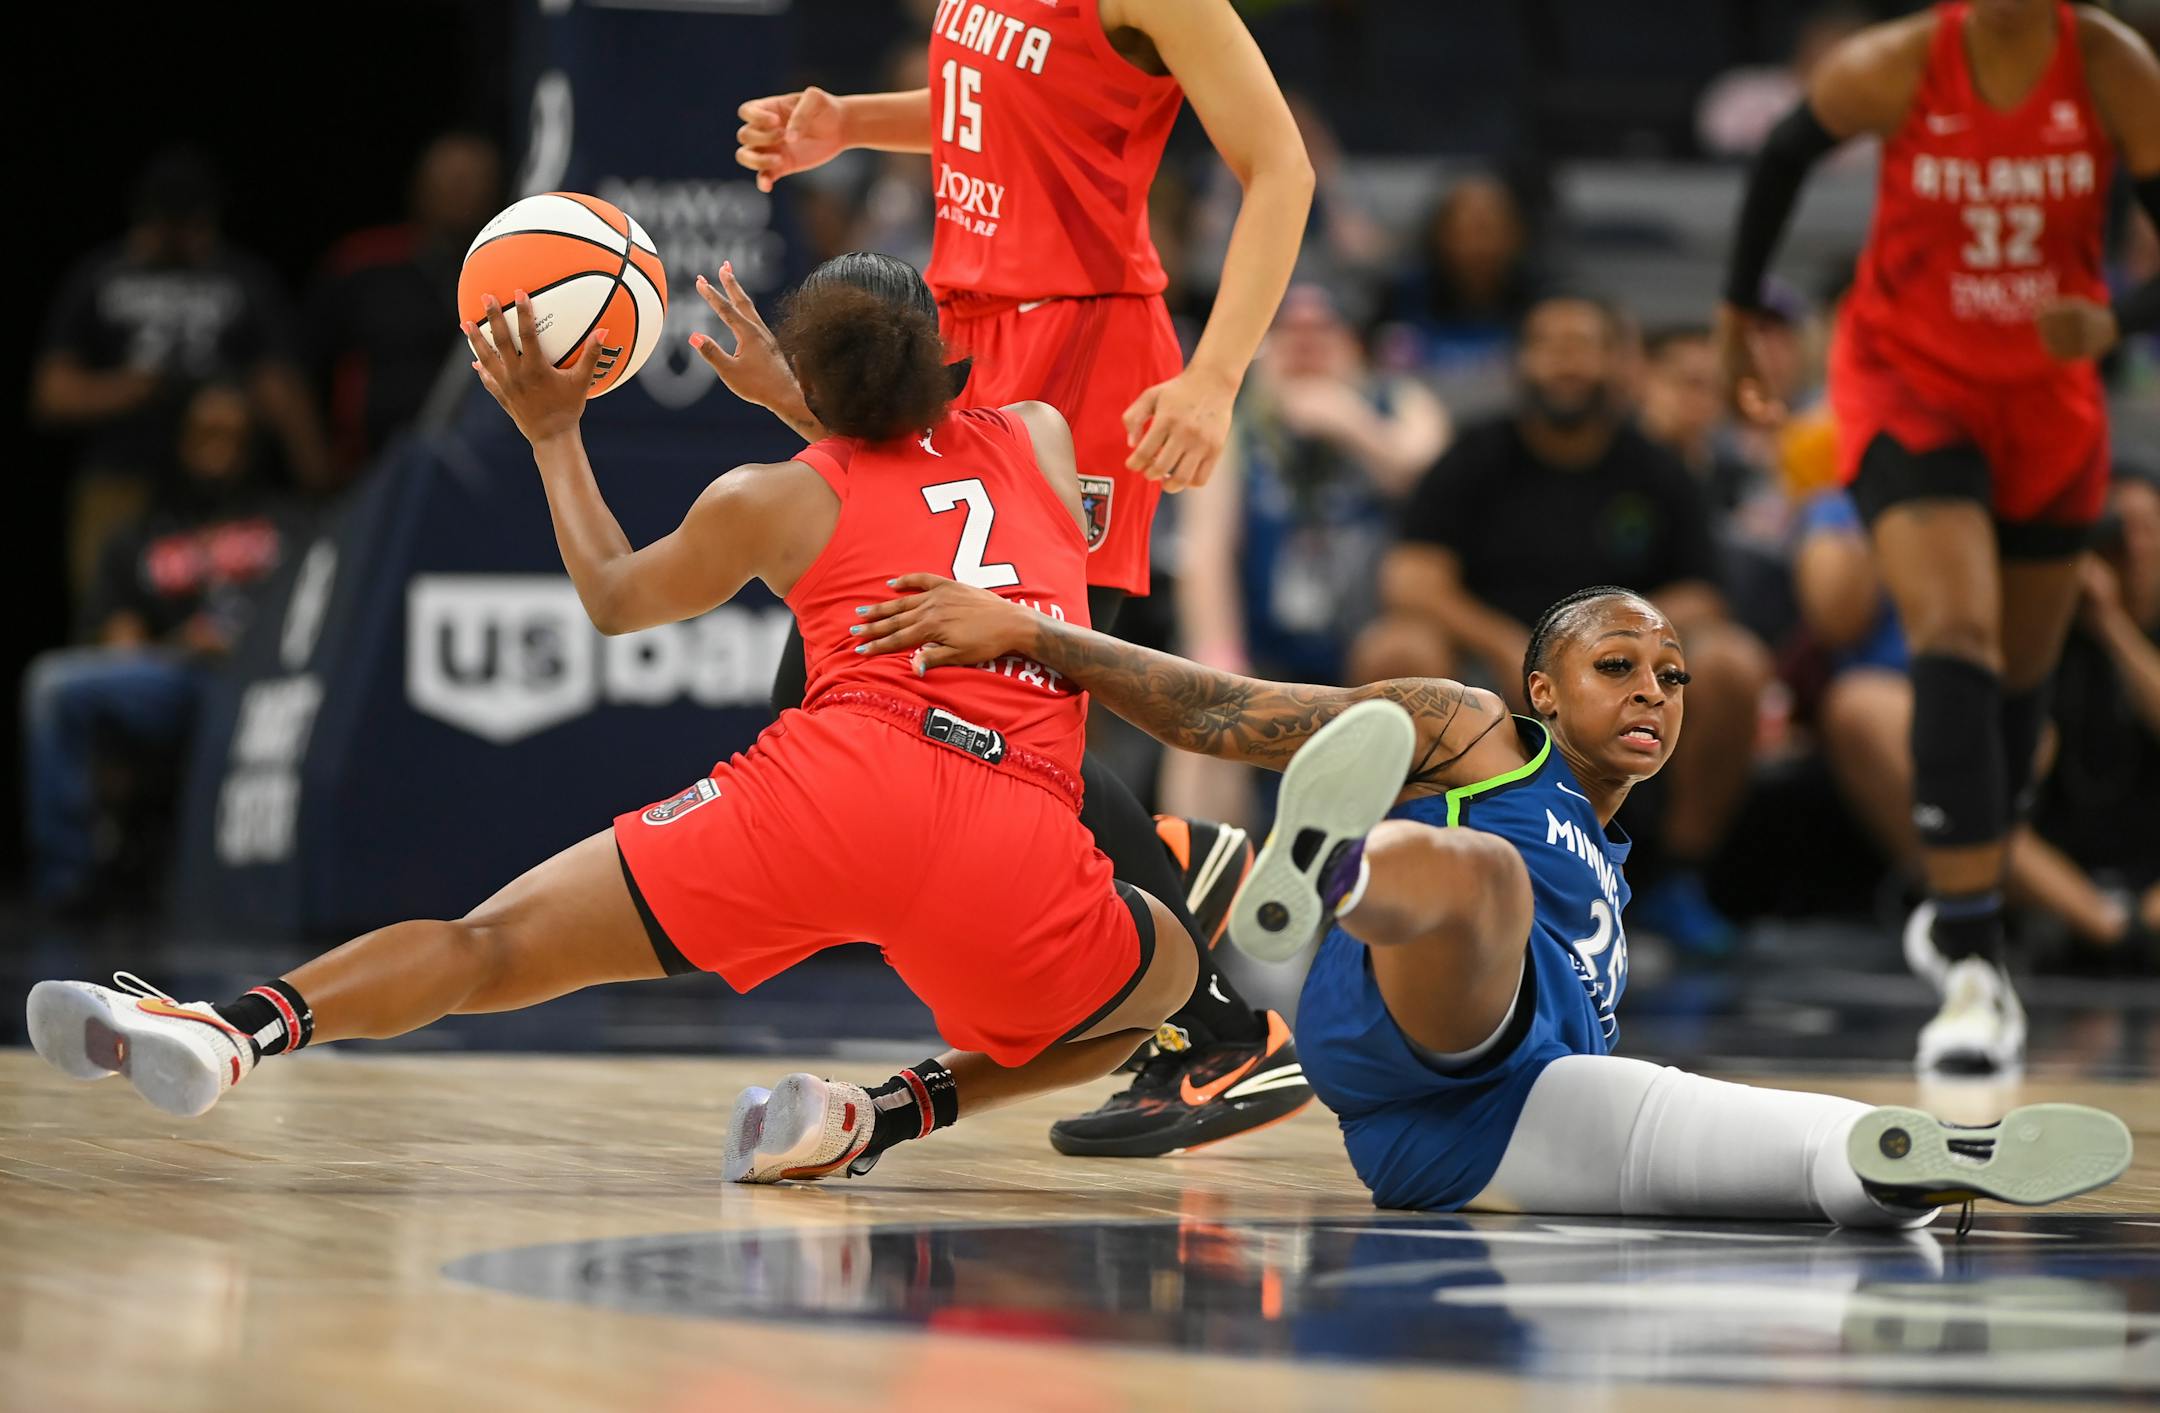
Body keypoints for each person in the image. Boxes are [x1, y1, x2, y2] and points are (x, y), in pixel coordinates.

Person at [24, 253, 1199, 1190]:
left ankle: (235, 1033)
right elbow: (921, 468)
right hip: (1009, 823)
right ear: (946, 356)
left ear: (810, 386)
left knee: (489, 949)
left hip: (830, 790)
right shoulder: (1039, 433)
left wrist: (552, 431)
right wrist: (814, 390)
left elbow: (615, 595)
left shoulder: (771, 500)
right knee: (1161, 979)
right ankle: (879, 1114)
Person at [846, 576, 2133, 1222]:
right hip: (1417, 993)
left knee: (1704, 1132)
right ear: (1542, 693)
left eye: (1675, 676)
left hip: (1476, 1132)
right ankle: (1335, 869)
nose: (1654, 691)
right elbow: (1230, 713)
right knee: (1486, 878)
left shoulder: (1618, 871)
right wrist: (1037, 635)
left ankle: (1913, 1162)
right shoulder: (1481, 736)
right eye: (1616, 665)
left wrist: (1865, 1161)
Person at [727, 0, 1320, 1158]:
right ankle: (1176, 868)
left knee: (1001, 700)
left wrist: (1215, 379)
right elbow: (1001, 107)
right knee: (825, 680)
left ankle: (1221, 1037)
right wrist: (849, 122)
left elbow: (1282, 169)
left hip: (1089, 357)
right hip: (972, 339)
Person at [1718, 0, 2160, 1070]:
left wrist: (2120, 320)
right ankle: (1970, 962)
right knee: (1953, 638)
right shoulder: (1905, 61)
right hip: (1909, 380)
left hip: (2047, 399)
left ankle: (1964, 897)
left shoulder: (2109, 65)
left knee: (2018, 689)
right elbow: (1781, 156)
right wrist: (1742, 313)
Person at [1367, 297, 1774, 955]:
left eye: (1582, 344)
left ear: (1617, 363)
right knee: (1395, 645)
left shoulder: (1655, 467)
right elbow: (1410, 581)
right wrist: (1508, 643)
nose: (1565, 362)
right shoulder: (1474, 456)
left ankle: (1677, 879)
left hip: (1619, 668)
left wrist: (1605, 647)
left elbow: (1704, 596)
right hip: (1484, 667)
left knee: (1730, 662)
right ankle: (1398, 871)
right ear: (1521, 360)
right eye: (1548, 344)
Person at [1160, 283, 1447, 830]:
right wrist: (1220, 655)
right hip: (1270, 648)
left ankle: (1393, 865)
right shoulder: (1232, 426)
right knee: (1202, 688)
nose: (1306, 345)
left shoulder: (1399, 400)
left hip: (1371, 647)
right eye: (1291, 333)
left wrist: (1352, 425)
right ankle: (1204, 879)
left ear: (1357, 347)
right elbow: (1205, 554)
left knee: (1409, 658)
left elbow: (1429, 477)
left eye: (1324, 332)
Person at [21, 382, 296, 915]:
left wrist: (253, 642)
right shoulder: (143, 532)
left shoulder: (290, 524)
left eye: (235, 437)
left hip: (263, 680)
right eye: (208, 435)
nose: (221, 449)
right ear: (184, 441)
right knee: (53, 685)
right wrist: (174, 642)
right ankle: (68, 884)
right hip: (180, 676)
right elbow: (118, 632)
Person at [34, 149, 331, 598]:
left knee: (237, 613)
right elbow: (51, 395)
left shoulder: (242, 278)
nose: (180, 238)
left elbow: (278, 381)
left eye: (191, 225)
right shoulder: (99, 276)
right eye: (167, 225)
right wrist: (135, 388)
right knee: (112, 612)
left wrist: (315, 477)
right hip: (123, 478)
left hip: (231, 488)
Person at [309, 132, 504, 482]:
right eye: (448, 180)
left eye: (471, 181)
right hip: (367, 474)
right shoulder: (361, 263)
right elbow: (306, 367)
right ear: (419, 185)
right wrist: (317, 468)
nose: (460, 191)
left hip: (487, 469)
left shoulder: (513, 273)